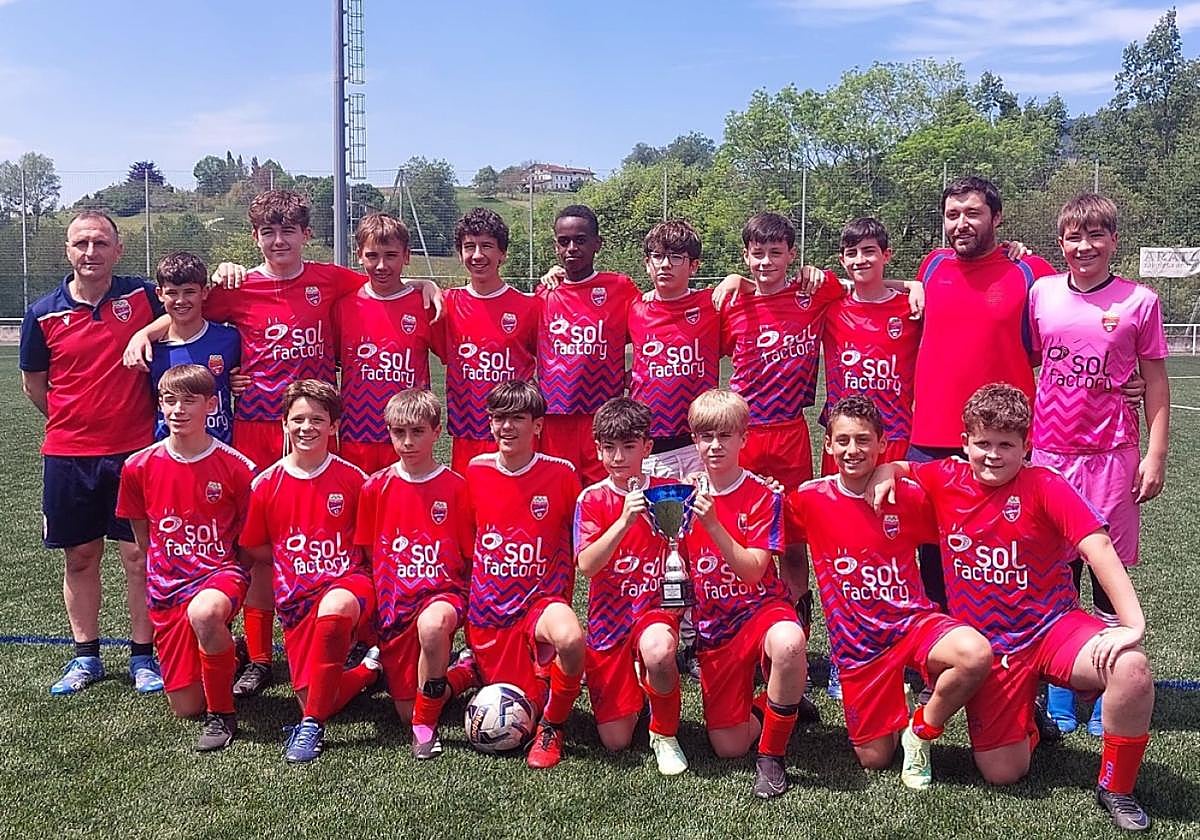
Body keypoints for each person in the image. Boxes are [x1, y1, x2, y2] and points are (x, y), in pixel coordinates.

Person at [123, 190, 439, 698]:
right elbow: (187, 305)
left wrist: (423, 281)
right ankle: (262, 656)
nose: (278, 241)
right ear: (256, 238)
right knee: (258, 548)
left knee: (329, 538)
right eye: (268, 232)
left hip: (315, 429)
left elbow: (387, 282)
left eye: (287, 231)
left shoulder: (331, 279)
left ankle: (354, 638)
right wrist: (149, 331)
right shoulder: (241, 285)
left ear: (306, 235)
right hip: (257, 429)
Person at [870, 384, 1156, 831]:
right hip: (991, 648)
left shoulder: (1045, 485)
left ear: (1027, 446)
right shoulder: (945, 477)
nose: (993, 454)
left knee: (1131, 668)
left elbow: (1097, 546)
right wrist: (888, 469)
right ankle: (1027, 720)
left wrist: (1131, 623)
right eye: (982, 443)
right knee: (1004, 773)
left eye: (1006, 444)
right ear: (964, 443)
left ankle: (1116, 788)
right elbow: (901, 465)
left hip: (1053, 629)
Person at [785, 396, 991, 788]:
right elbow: (771, 532)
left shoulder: (907, 496)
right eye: (842, 441)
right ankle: (891, 702)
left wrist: (898, 471)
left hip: (912, 624)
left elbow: (963, 495)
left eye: (863, 440)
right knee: (874, 759)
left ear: (882, 444)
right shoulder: (808, 499)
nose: (852, 451)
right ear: (827, 445)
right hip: (858, 647)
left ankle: (922, 728)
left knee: (974, 654)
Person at [1029, 194, 1170, 736]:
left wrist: (1155, 454)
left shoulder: (1140, 301)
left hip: (1112, 455)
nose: (1083, 248)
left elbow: (1155, 380)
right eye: (1073, 237)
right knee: (1057, 572)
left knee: (1107, 581)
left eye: (1095, 237)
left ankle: (1110, 679)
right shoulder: (1042, 294)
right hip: (1051, 455)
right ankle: (1065, 684)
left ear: (1113, 241)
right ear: (1060, 242)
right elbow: (1038, 361)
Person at [19, 209, 164, 695]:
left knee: (138, 557)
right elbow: (34, 386)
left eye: (100, 243)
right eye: (81, 243)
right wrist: (71, 421)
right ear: (68, 250)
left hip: (136, 453)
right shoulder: (42, 312)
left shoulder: (142, 296)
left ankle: (144, 657)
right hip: (69, 454)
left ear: (117, 250)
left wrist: (146, 331)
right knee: (80, 557)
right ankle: (87, 656)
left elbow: (189, 305)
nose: (91, 252)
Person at [907, 176, 1057, 611]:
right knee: (933, 553)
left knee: (1006, 550)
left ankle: (1009, 647)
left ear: (997, 217)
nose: (961, 224)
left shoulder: (1031, 271)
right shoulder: (932, 266)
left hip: (1003, 437)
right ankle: (944, 656)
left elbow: (1067, 333)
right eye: (952, 215)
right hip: (932, 436)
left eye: (972, 213)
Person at [115, 364, 256, 750]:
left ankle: (223, 716)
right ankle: (233, 652)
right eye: (169, 400)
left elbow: (248, 539)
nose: (178, 409)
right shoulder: (138, 467)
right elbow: (144, 534)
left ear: (211, 405)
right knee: (185, 706)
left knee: (206, 613)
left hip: (219, 576)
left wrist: (231, 577)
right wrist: (165, 564)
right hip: (167, 586)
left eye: (189, 401)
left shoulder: (237, 467)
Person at [240, 380, 378, 763]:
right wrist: (291, 561)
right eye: (297, 419)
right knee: (316, 694)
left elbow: (368, 546)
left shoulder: (353, 479)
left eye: (317, 419)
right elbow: (253, 545)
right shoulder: (266, 484)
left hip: (347, 585)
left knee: (333, 609)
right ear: (283, 424)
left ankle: (312, 727)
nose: (307, 428)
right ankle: (369, 669)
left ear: (334, 426)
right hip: (296, 599)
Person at [681, 389, 809, 799]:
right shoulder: (680, 494)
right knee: (728, 746)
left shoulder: (764, 494)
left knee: (789, 643)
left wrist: (715, 524)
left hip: (761, 610)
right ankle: (773, 702)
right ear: (694, 439)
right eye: (705, 437)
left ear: (744, 439)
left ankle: (772, 755)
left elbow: (754, 571)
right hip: (715, 626)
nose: (715, 446)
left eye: (725, 436)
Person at [463, 380, 583, 769]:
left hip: (540, 604)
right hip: (489, 613)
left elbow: (579, 539)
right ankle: (464, 669)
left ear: (538, 425)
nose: (506, 427)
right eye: (498, 418)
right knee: (517, 700)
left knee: (570, 637)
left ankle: (554, 728)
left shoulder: (561, 475)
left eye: (517, 418)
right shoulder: (475, 470)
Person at [354, 389, 473, 759]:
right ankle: (466, 671)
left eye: (418, 432)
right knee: (403, 708)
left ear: (437, 432)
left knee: (433, 626)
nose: (407, 442)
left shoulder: (457, 487)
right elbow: (371, 553)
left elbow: (469, 556)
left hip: (442, 596)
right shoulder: (374, 487)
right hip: (395, 606)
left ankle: (426, 727)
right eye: (398, 432)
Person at [574, 397, 687, 775]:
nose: (618, 456)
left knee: (658, 650)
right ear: (598, 449)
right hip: (609, 620)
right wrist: (623, 521)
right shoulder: (591, 498)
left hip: (654, 610)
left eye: (628, 446)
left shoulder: (670, 492)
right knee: (616, 740)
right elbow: (587, 566)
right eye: (609, 448)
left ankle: (664, 733)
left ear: (647, 447)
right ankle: (641, 685)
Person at [721, 212, 843, 493]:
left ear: (792, 254)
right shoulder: (732, 304)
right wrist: (736, 280)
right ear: (745, 256)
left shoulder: (812, 295)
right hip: (744, 427)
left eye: (775, 252)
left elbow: (858, 287)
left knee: (794, 514)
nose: (766, 262)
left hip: (790, 427)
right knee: (743, 509)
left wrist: (817, 272)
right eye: (758, 253)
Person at [536, 205, 639, 484]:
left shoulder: (620, 288)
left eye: (580, 240)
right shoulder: (545, 293)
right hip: (556, 417)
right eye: (563, 241)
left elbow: (651, 329)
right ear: (555, 246)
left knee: (606, 492)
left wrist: (639, 375)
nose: (572, 248)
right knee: (559, 493)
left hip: (604, 414)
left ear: (597, 244)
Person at [438, 210, 541, 475]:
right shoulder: (447, 304)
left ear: (502, 254)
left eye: (487, 246)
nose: (477, 255)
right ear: (460, 254)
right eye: (469, 246)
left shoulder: (529, 307)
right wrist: (422, 284)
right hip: (467, 435)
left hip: (515, 434)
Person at [335, 213, 437, 474]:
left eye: (391, 255)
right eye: (372, 256)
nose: (381, 265)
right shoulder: (344, 307)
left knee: (408, 512)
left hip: (409, 438)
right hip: (356, 437)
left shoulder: (425, 305)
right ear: (359, 255)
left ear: (407, 256)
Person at [628, 220, 719, 479]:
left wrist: (737, 279)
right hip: (649, 445)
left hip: (698, 444)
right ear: (647, 264)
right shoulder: (633, 309)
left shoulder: (712, 305)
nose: (665, 264)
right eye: (658, 256)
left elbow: (755, 292)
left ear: (694, 266)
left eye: (676, 257)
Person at [147, 252, 239, 445]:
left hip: (220, 449)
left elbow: (247, 374)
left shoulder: (229, 339)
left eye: (189, 292)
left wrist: (241, 381)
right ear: (160, 294)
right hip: (169, 452)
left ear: (204, 292)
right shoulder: (149, 350)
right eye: (172, 293)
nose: (181, 300)